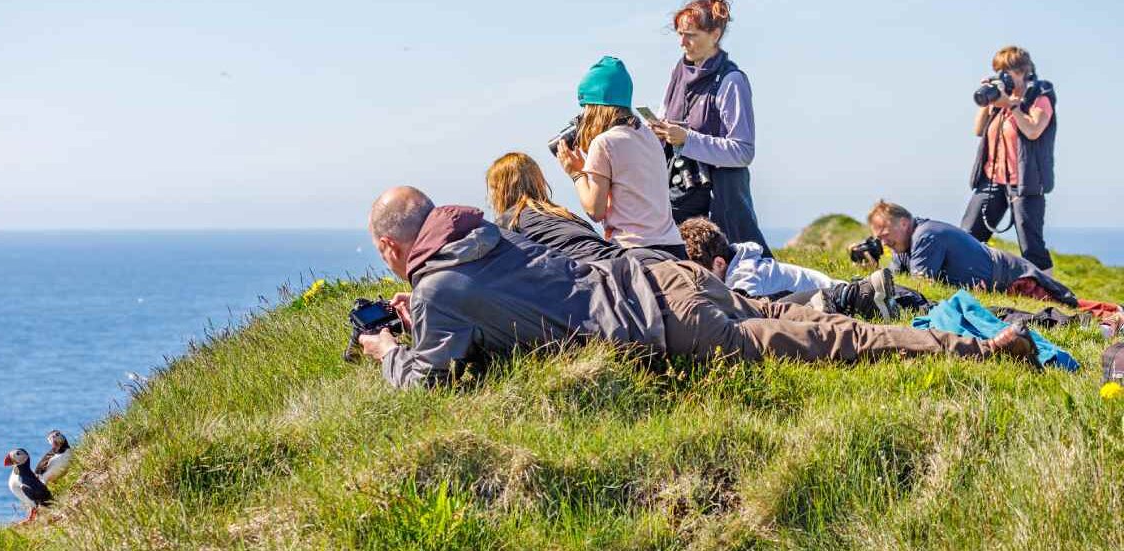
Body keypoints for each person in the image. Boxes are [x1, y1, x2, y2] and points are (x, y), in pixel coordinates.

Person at [357, 186, 1039, 389]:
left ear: (392, 247)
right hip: (663, 270)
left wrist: (384, 349)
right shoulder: (483, 233)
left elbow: (425, 380)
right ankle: (970, 334)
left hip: (657, 322)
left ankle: (979, 351)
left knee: (829, 341)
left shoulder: (439, 286)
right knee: (802, 314)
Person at [650, 0, 771, 256]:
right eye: (680, 34)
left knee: (741, 272)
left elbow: (743, 151)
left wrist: (687, 140)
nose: (682, 42)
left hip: (722, 201)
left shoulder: (732, 81)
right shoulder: (678, 73)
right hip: (680, 192)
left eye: (691, 35)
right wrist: (659, 132)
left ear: (715, 35)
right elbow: (667, 120)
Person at [554, 56, 688, 259]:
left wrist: (576, 173)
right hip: (674, 249)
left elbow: (595, 210)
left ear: (595, 107)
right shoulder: (648, 135)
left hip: (636, 253)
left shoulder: (604, 143)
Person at [678, 217, 898, 320]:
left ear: (718, 263)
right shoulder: (740, 264)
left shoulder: (743, 273)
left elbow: (746, 310)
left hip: (835, 294)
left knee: (761, 306)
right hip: (829, 289)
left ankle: (862, 295)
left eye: (701, 275)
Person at [867, 200, 1077, 306]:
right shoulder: (904, 244)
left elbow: (921, 288)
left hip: (1016, 281)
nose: (884, 242)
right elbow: (897, 279)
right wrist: (872, 271)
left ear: (903, 223)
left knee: (1073, 307)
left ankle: (1111, 313)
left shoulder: (925, 235)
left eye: (885, 235)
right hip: (1003, 279)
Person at [959, 46, 1057, 273]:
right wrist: (989, 100)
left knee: (1030, 243)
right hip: (992, 180)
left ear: (1023, 71)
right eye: (998, 71)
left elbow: (1033, 130)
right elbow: (978, 129)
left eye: (1006, 71)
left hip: (1025, 183)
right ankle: (965, 277)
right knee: (968, 234)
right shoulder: (999, 100)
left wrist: (1012, 105)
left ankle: (1048, 290)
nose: (1002, 76)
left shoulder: (1039, 97)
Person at [486, 151, 674, 265]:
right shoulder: (563, 214)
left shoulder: (509, 223)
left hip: (593, 272)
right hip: (631, 258)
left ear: (501, 190)